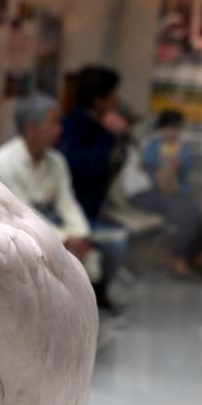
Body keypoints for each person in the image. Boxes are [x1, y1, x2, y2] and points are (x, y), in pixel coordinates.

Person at [0, 92, 100, 281]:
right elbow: (21, 214)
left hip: (52, 231)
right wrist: (63, 239)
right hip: (15, 239)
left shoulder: (57, 161)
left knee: (90, 264)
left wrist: (80, 234)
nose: (59, 130)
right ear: (31, 128)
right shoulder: (3, 161)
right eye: (53, 123)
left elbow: (67, 202)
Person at [59, 65, 130, 309]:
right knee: (114, 243)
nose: (117, 99)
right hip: (73, 212)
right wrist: (110, 136)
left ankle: (96, 294)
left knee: (118, 239)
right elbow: (83, 167)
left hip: (94, 208)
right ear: (99, 99)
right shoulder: (74, 126)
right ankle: (88, 298)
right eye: (113, 94)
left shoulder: (100, 124)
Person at [129, 109, 202, 277]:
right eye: (168, 128)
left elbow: (186, 175)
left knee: (195, 212)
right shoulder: (152, 146)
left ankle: (190, 256)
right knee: (190, 213)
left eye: (175, 128)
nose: (172, 132)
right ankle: (181, 258)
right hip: (154, 194)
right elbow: (146, 171)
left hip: (176, 193)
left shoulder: (184, 149)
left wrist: (177, 176)